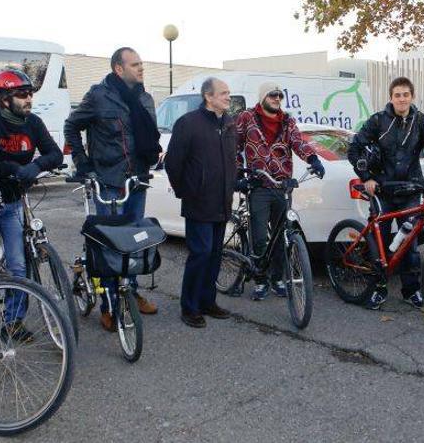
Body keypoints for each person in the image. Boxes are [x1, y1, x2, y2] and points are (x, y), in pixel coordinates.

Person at [348, 77, 424, 310]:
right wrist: (367, 178)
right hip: (382, 189)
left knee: (409, 244)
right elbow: (354, 148)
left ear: (412, 96)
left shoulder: (420, 121)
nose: (401, 99)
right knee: (380, 242)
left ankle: (410, 291)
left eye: (405, 94)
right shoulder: (378, 121)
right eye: (397, 95)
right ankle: (379, 289)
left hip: (411, 188)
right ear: (391, 98)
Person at [64, 47, 161, 331]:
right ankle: (108, 302)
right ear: (119, 68)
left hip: (138, 179)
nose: (141, 68)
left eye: (142, 63)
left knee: (135, 239)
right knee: (109, 242)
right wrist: (82, 162)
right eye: (135, 64)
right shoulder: (98, 95)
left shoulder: (144, 97)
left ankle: (129, 291)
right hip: (108, 179)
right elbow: (71, 126)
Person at [0, 69, 63, 341]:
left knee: (18, 265)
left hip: (14, 202)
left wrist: (36, 165)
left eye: (31, 93)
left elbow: (55, 154)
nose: (29, 99)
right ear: (4, 98)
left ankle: (13, 321)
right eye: (22, 94)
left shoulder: (33, 122)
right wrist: (13, 167)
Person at [234, 82, 326, 300]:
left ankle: (276, 279)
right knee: (259, 238)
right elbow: (234, 146)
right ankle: (260, 280)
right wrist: (239, 174)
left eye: (279, 95)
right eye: (272, 95)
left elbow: (298, 142)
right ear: (263, 97)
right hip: (258, 186)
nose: (277, 98)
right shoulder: (247, 118)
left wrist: (313, 159)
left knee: (279, 236)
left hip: (282, 186)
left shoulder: (287, 121)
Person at [165, 77, 237, 328]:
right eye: (224, 93)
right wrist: (186, 191)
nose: (228, 97)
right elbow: (172, 163)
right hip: (199, 201)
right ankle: (190, 306)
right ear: (208, 96)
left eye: (229, 93)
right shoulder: (188, 124)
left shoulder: (229, 123)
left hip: (222, 201)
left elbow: (231, 161)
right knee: (201, 253)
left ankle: (208, 301)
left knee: (215, 254)